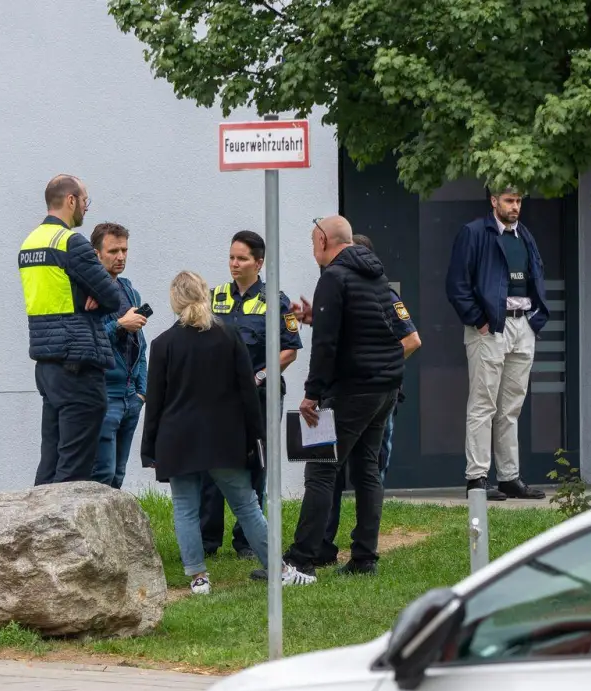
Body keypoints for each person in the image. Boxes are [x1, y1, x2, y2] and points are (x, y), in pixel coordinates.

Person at [141, 274, 311, 594]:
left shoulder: (162, 344)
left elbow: (156, 402)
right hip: (224, 439)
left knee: (185, 509)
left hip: (178, 441)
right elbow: (248, 394)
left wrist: (149, 449)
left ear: (175, 300)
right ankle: (278, 568)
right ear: (205, 295)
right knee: (247, 506)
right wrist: (256, 437)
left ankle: (198, 578)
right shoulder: (228, 336)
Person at [286, 216, 405, 579]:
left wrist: (311, 394)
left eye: (312, 242)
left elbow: (326, 346)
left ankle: (301, 560)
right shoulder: (375, 275)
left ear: (323, 240)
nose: (312, 251)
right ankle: (364, 558)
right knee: (367, 470)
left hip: (351, 390)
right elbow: (362, 326)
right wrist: (314, 318)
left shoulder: (334, 277)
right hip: (384, 388)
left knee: (320, 470)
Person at [309, 236, 422, 564]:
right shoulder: (363, 287)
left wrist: (374, 367)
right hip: (371, 394)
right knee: (362, 471)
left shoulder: (375, 291)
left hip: (356, 395)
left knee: (333, 470)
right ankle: (356, 553)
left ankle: (321, 549)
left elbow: (412, 339)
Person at [198, 230, 303, 560]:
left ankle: (245, 540)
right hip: (218, 398)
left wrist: (258, 377)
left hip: (260, 397)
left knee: (256, 464)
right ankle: (207, 539)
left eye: (241, 258)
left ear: (259, 263)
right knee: (212, 465)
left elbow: (290, 350)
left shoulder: (277, 300)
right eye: (231, 257)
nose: (234, 263)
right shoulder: (213, 297)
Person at [20, 174, 129, 485]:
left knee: (51, 461)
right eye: (85, 201)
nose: (85, 208)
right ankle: (62, 532)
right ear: (71, 201)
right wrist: (89, 294)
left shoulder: (29, 243)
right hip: (78, 362)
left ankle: (38, 529)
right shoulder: (71, 243)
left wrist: (82, 292)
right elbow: (111, 296)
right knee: (75, 467)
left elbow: (60, 291)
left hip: (47, 363)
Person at [445, 186, 549, 500]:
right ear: (494, 201)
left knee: (511, 407)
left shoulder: (525, 236)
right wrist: (479, 319)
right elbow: (457, 283)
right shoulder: (474, 233)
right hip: (490, 328)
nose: (515, 206)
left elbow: (535, 277)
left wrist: (536, 319)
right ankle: (476, 478)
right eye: (509, 200)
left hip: (523, 325)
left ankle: (509, 477)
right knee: (483, 404)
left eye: (518, 201)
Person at [91, 223, 149, 489]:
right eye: (113, 250)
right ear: (97, 253)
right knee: (101, 475)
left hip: (130, 398)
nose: (121, 257)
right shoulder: (87, 293)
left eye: (124, 250)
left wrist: (141, 391)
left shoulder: (129, 290)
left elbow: (141, 344)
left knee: (118, 475)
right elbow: (87, 341)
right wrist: (119, 325)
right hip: (104, 397)